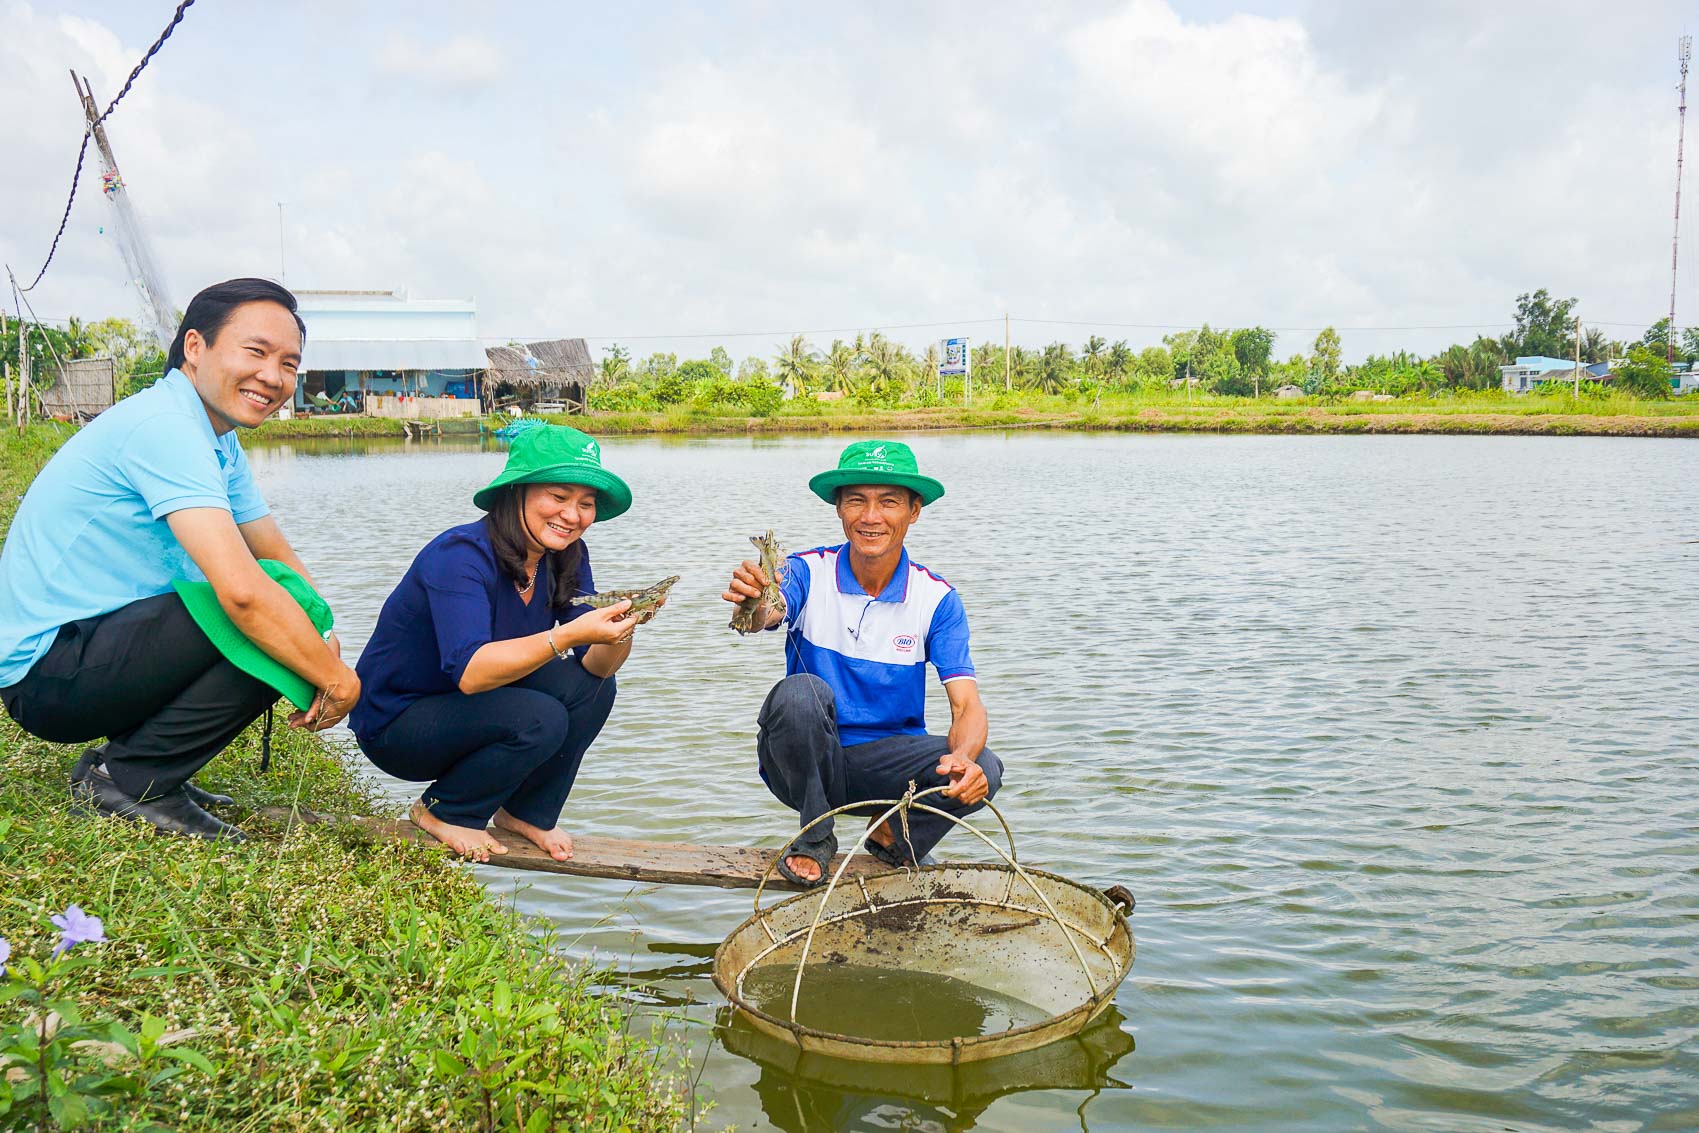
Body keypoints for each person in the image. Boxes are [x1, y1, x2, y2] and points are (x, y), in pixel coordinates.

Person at [0, 278, 359, 840]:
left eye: (289, 363)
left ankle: (146, 764)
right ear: (196, 347)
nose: (274, 377)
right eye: (256, 352)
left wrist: (323, 630)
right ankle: (130, 780)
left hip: (90, 649)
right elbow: (242, 590)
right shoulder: (165, 427)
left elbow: (273, 551)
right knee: (264, 611)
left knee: (290, 611)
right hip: (47, 674)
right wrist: (336, 678)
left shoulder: (214, 436)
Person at [350, 425, 650, 862]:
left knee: (594, 690)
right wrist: (566, 634)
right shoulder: (460, 555)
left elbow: (597, 668)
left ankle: (526, 812)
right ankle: (443, 810)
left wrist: (622, 629)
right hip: (398, 723)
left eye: (586, 504)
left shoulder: (566, 554)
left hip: (473, 706)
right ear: (517, 493)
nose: (573, 515)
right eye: (559, 496)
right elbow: (472, 674)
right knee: (540, 717)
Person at [722, 439, 1003, 885]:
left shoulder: (937, 600)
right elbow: (766, 614)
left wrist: (965, 759)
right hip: (804, 758)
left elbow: (966, 706)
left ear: (914, 511)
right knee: (800, 693)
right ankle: (815, 837)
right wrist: (755, 602)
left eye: (888, 502)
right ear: (839, 509)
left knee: (985, 764)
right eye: (857, 501)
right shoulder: (806, 572)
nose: (871, 517)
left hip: (887, 769)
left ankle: (893, 838)